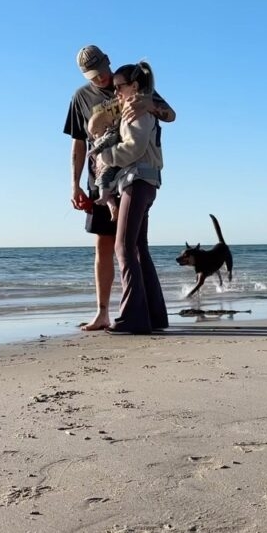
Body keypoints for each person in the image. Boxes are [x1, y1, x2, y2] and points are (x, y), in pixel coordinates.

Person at [63, 45, 175, 331]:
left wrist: (149, 105)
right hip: (103, 179)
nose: (98, 79)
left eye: (100, 71)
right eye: (91, 75)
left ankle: (137, 316)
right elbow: (78, 143)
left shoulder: (131, 83)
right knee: (109, 244)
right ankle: (107, 313)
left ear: (108, 62)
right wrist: (75, 183)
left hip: (133, 175)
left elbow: (170, 115)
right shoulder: (81, 97)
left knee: (129, 246)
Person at [98, 61, 168, 334]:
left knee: (123, 246)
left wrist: (105, 155)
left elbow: (134, 148)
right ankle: (154, 315)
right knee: (139, 248)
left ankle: (133, 317)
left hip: (137, 181)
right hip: (145, 181)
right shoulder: (140, 107)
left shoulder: (137, 110)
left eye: (119, 87)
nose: (115, 93)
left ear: (134, 86)